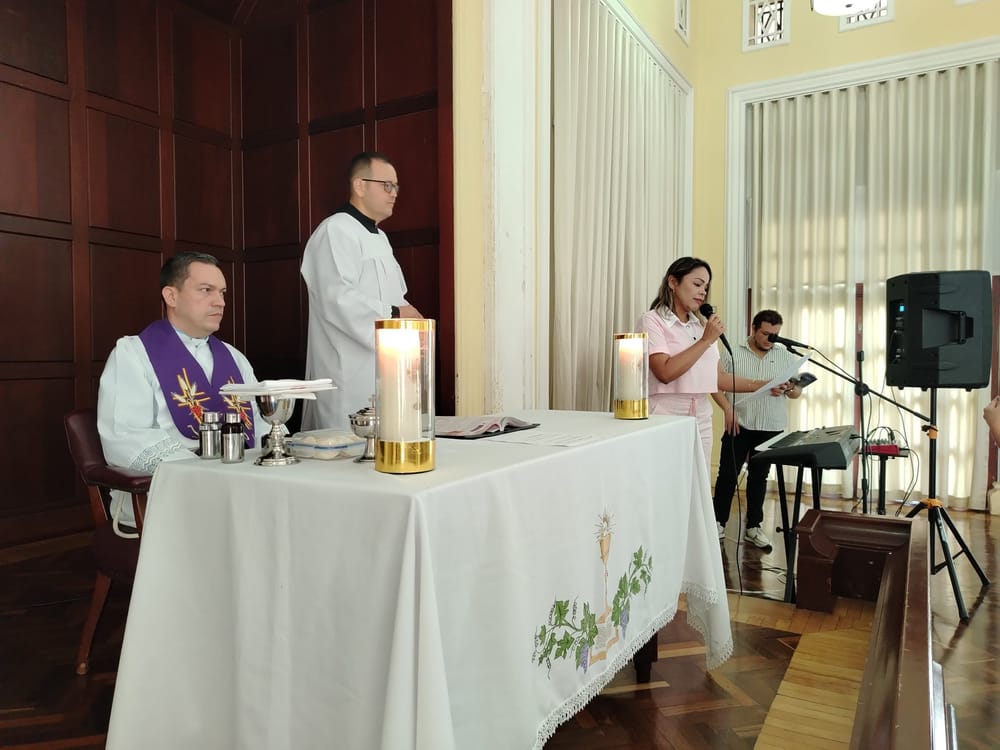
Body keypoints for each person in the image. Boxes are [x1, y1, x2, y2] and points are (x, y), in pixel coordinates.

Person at [98, 252, 270, 536]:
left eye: (223, 293)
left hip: (241, 484)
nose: (220, 302)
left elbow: (261, 425)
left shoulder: (234, 358)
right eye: (206, 291)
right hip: (166, 494)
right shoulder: (133, 354)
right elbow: (127, 437)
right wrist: (202, 473)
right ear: (171, 296)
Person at [301, 151, 423, 430]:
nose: (394, 194)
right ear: (360, 185)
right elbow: (337, 299)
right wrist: (394, 314)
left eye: (396, 187)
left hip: (387, 365)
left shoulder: (381, 238)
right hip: (347, 370)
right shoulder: (335, 230)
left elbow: (396, 296)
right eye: (387, 185)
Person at [637, 257, 769, 472]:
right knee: (666, 479)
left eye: (706, 287)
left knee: (698, 484)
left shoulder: (699, 326)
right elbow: (665, 371)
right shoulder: (652, 320)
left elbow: (718, 379)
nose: (703, 292)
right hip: (665, 410)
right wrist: (707, 340)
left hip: (701, 413)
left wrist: (766, 384)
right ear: (673, 282)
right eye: (697, 284)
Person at [712, 310, 803, 548]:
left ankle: (754, 526)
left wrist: (788, 388)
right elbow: (714, 383)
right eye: (765, 334)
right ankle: (717, 523)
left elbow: (796, 392)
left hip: (770, 425)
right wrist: (726, 409)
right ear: (753, 328)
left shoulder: (785, 356)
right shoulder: (732, 352)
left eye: (775, 335)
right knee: (727, 476)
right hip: (739, 423)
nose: (770, 339)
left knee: (759, 478)